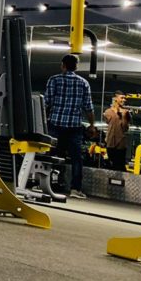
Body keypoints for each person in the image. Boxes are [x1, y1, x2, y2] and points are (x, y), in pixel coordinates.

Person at [43, 54, 95, 199]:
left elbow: (46, 103)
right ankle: (75, 189)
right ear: (76, 67)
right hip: (74, 127)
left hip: (55, 124)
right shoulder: (83, 83)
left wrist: (44, 121)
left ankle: (44, 184)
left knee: (50, 154)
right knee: (76, 158)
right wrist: (91, 125)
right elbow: (88, 107)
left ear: (63, 65)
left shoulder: (54, 80)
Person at [103, 91, 131, 172]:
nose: (124, 100)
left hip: (120, 145)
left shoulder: (126, 112)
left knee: (120, 166)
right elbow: (108, 123)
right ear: (115, 98)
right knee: (111, 166)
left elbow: (125, 129)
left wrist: (124, 117)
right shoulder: (108, 112)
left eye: (124, 98)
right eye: (122, 98)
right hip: (110, 143)